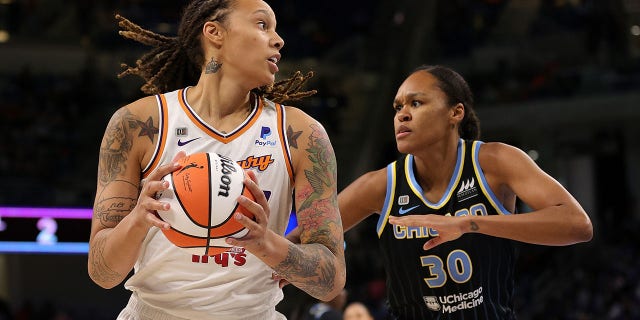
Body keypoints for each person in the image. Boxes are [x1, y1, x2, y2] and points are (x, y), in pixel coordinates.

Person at [87, 1, 346, 319]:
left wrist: (264, 242)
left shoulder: (303, 134)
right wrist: (139, 218)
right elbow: (103, 273)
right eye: (262, 25)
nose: (278, 40)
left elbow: (330, 281)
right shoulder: (137, 124)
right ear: (214, 32)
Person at [289, 65, 593, 319]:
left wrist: (467, 224)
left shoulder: (495, 162)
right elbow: (299, 240)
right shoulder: (381, 185)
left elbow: (577, 224)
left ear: (455, 112)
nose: (402, 115)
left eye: (416, 103)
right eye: (398, 107)